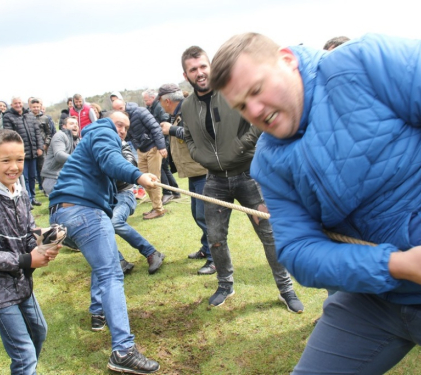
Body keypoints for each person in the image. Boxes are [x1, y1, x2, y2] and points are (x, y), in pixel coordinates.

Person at [209, 31, 421, 374]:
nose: (255, 111)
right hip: (375, 299)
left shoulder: (364, 63)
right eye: (242, 106)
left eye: (257, 91)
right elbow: (299, 252)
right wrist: (397, 265)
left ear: (288, 61)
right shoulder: (268, 161)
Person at [180, 46, 303, 312]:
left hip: (248, 175)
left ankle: (286, 289)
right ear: (186, 74)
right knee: (214, 236)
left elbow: (258, 121)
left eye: (203, 66)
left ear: (210, 66)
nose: (200, 73)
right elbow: (188, 134)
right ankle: (225, 285)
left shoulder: (232, 90)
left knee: (268, 235)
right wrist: (197, 153)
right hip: (214, 181)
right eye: (193, 69)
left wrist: (239, 146)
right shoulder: (187, 105)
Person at [48, 111, 160, 374]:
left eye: (125, 128)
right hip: (83, 211)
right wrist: (140, 176)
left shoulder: (93, 141)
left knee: (104, 264)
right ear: (109, 121)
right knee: (112, 274)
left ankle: (98, 313)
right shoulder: (102, 131)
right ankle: (123, 350)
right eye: (119, 124)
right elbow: (111, 160)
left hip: (65, 216)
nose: (121, 130)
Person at [0, 129, 59, 375]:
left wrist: (43, 243)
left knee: (39, 331)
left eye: (19, 159)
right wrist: (28, 259)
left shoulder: (20, 191)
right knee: (24, 353)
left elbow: (27, 231)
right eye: (5, 160)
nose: (14, 167)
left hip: (21, 281)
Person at [158, 83, 214, 275]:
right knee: (197, 214)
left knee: (205, 217)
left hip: (203, 172)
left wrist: (170, 130)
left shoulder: (189, 110)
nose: (160, 106)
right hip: (194, 172)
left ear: (166, 100)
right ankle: (207, 249)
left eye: (160, 101)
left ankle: (215, 260)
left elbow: (198, 136)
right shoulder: (180, 113)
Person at [111, 98, 168, 220]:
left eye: (121, 108)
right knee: (143, 180)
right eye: (116, 110)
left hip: (153, 148)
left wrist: (161, 146)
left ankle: (159, 209)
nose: (120, 111)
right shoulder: (120, 121)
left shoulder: (140, 112)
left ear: (125, 105)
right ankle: (155, 206)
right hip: (140, 150)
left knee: (154, 178)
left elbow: (155, 128)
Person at [3, 96, 44, 207]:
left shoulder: (29, 115)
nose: (18, 105)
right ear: (12, 105)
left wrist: (40, 147)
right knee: (23, 177)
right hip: (20, 154)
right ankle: (27, 199)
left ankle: (33, 197)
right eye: (15, 103)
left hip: (33, 152)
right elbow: (10, 136)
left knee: (32, 176)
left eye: (19, 103)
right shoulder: (8, 117)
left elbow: (37, 133)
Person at [143, 89, 180, 205]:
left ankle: (168, 192)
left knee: (161, 167)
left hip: (162, 141)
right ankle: (176, 191)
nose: (145, 102)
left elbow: (165, 121)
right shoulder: (150, 108)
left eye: (146, 100)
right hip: (158, 140)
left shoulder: (158, 107)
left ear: (152, 97)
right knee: (164, 167)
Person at [41, 116, 80, 196]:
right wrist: (79, 160)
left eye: (76, 124)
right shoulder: (60, 135)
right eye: (71, 123)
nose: (75, 125)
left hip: (68, 178)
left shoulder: (78, 140)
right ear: (64, 126)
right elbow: (59, 155)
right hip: (53, 178)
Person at [30, 98, 52, 193]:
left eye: (37, 107)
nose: (36, 108)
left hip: (42, 146)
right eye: (34, 107)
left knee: (43, 167)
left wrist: (46, 143)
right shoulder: (27, 117)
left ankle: (44, 188)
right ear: (30, 107)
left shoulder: (45, 118)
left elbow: (49, 133)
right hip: (31, 146)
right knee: (32, 170)